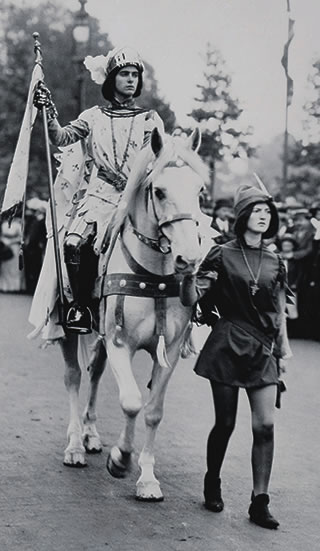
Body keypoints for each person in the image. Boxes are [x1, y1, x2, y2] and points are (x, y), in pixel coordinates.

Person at [180, 183, 292, 529]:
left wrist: (283, 349)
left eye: (267, 211)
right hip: (227, 344)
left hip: (264, 348)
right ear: (243, 215)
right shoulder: (221, 254)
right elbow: (191, 300)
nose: (264, 215)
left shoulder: (276, 261)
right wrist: (186, 277)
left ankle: (260, 501)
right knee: (225, 424)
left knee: (265, 425)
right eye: (257, 210)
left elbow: (279, 308)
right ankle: (212, 480)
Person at [33, 46, 164, 334]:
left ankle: (192, 306)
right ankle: (80, 308)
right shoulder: (93, 116)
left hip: (138, 197)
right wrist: (48, 111)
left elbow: (153, 159)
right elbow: (62, 137)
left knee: (181, 233)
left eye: (134, 75)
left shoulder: (150, 119)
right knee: (72, 243)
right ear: (111, 78)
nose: (131, 80)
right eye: (124, 74)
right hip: (99, 196)